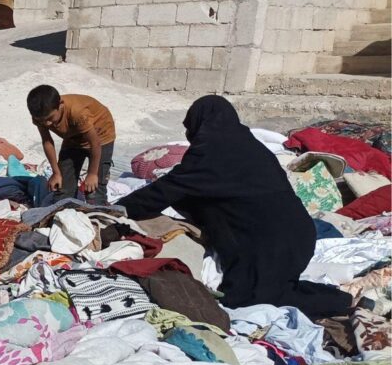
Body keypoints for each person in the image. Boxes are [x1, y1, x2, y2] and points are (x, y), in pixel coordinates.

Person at [117, 95, 352, 319]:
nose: (189, 134)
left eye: (191, 126)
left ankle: (343, 302)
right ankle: (338, 298)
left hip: (273, 243)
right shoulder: (249, 148)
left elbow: (164, 190)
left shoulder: (210, 156)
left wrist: (118, 209)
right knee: (266, 288)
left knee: (250, 300)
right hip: (293, 235)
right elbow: (188, 190)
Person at [27, 85, 116, 206]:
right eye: (42, 120)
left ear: (61, 105)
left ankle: (98, 209)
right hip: (73, 137)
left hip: (100, 135)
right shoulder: (40, 115)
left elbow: (95, 143)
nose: (47, 123)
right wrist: (56, 172)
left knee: (94, 192)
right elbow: (47, 141)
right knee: (62, 190)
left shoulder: (78, 112)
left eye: (50, 118)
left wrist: (92, 174)